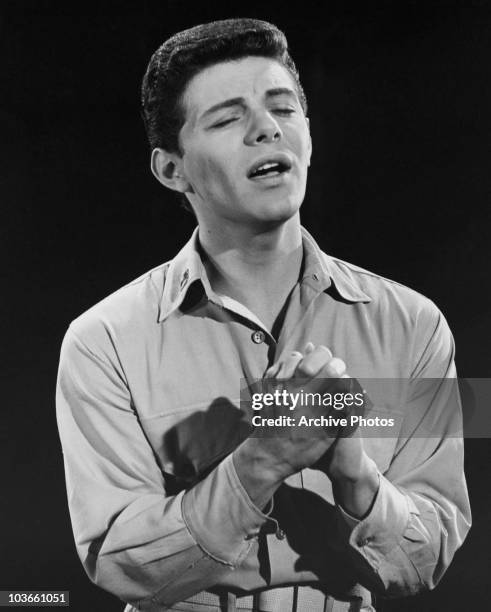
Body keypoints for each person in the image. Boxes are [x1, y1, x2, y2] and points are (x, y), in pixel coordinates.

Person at [56, 18, 471, 612]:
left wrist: (355, 475)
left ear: (308, 134)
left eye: (284, 109)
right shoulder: (104, 342)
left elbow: (427, 557)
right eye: (227, 119)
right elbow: (121, 565)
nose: (266, 129)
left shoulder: (414, 325)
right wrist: (259, 464)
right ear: (172, 169)